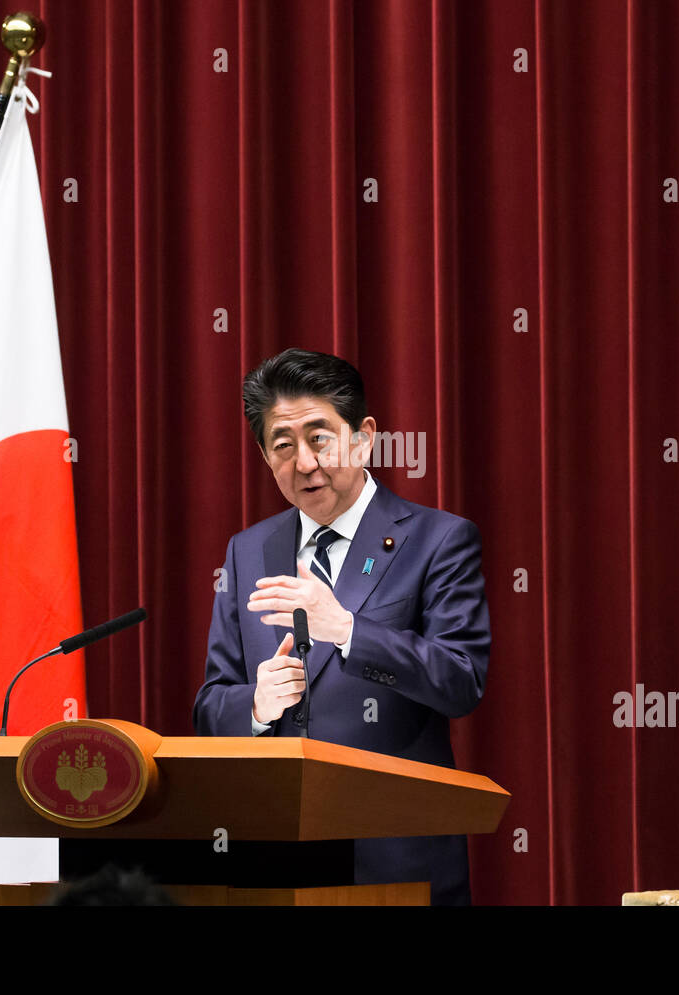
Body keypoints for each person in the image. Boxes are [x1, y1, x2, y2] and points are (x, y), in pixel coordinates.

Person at [193, 348, 491, 905]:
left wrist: (347, 628)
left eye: (319, 438)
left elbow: (460, 679)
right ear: (264, 454)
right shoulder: (248, 550)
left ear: (363, 437)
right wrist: (256, 707)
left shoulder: (438, 540)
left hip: (395, 861)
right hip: (274, 863)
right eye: (282, 445)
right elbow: (212, 703)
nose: (304, 462)